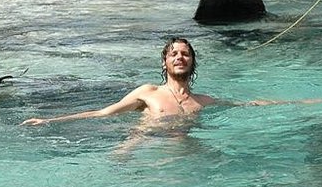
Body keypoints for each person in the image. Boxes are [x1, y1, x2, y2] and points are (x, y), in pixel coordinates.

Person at [21, 38, 216, 126]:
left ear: (192, 62)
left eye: (185, 54)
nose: (180, 58)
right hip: (149, 144)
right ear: (165, 64)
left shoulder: (203, 101)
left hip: (187, 152)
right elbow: (103, 113)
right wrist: (49, 120)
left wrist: (248, 104)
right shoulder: (149, 92)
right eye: (173, 54)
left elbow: (236, 106)